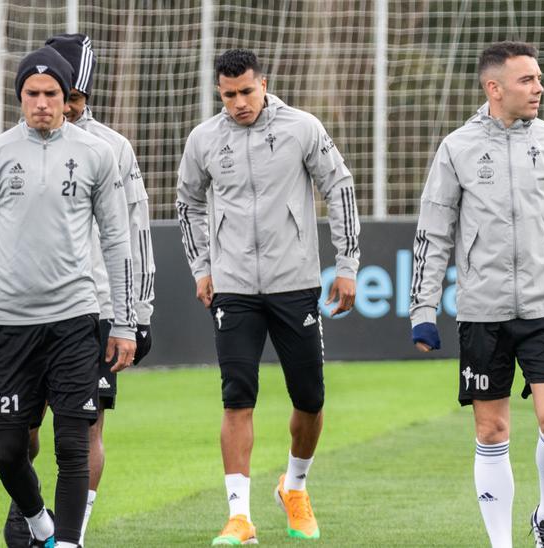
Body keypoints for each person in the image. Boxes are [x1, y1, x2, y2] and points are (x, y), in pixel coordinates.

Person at [408, 41, 544, 548]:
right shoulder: (456, 148)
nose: (539, 87)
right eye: (527, 80)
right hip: (482, 313)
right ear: (494, 88)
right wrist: (423, 310)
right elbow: (433, 236)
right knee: (493, 432)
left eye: (539, 78)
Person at [0, 46, 138, 548]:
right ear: (20, 97)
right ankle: (42, 524)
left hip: (75, 320)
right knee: (9, 451)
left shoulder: (96, 154)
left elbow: (118, 241)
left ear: (68, 97)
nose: (43, 103)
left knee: (72, 444)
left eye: (52, 94)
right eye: (33, 93)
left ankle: (68, 542)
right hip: (9, 325)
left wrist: (123, 321)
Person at [176, 48, 361, 546]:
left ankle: (294, 486)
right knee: (237, 397)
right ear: (220, 93)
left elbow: (338, 186)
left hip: (294, 283)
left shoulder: (302, 127)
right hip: (233, 288)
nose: (239, 103)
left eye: (246, 92)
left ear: (264, 84)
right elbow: (188, 202)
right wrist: (202, 267)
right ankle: (239, 517)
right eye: (229, 94)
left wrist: (347, 265)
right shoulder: (204, 140)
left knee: (310, 398)